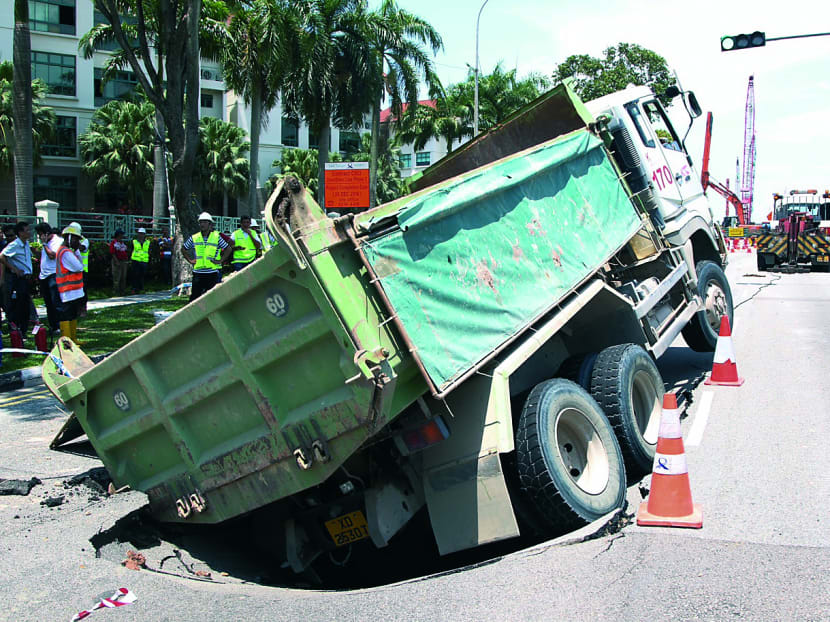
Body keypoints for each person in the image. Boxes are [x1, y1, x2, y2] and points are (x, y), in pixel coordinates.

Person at [181, 212, 230, 301]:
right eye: (201, 222)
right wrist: (190, 260)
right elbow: (184, 248)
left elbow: (228, 249)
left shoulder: (216, 237)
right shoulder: (195, 237)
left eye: (204, 222)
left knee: (212, 298)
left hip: (211, 272)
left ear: (210, 224)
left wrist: (220, 261)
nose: (202, 224)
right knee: (195, 297)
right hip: (198, 272)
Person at [0, 221, 34, 336]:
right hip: (20, 279)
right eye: (27, 230)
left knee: (26, 305)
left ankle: (23, 329)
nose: (29, 232)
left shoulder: (26, 244)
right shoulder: (14, 244)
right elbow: (2, 256)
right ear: (20, 233)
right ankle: (18, 329)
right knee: (20, 305)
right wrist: (14, 269)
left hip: (27, 278)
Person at [55, 223, 85, 342]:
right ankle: (68, 341)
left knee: (72, 314)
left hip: (73, 291)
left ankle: (73, 339)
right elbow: (79, 267)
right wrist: (77, 251)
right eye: (76, 239)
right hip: (67, 291)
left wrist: (76, 251)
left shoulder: (68, 251)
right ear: (69, 238)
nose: (77, 242)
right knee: (67, 315)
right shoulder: (65, 252)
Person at [34, 222, 64, 336]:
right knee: (48, 303)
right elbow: (45, 256)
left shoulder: (58, 241)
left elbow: (52, 255)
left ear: (46, 233)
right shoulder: (46, 244)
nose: (40, 237)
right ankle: (53, 326)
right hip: (44, 276)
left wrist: (45, 244)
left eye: (40, 234)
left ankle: (60, 326)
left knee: (56, 302)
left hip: (54, 274)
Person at [109, 229, 129, 294]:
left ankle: (122, 290)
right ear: (118, 235)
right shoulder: (114, 243)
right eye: (121, 235)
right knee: (117, 277)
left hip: (123, 261)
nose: (122, 236)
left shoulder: (122, 243)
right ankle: (116, 291)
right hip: (117, 261)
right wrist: (116, 261)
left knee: (123, 276)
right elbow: (112, 253)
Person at [130, 228, 151, 293]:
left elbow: (149, 251)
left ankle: (141, 288)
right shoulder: (134, 242)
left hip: (144, 261)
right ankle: (134, 288)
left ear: (144, 235)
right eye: (140, 233)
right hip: (136, 260)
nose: (141, 235)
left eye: (142, 234)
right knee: (135, 275)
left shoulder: (148, 242)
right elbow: (131, 250)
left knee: (142, 275)